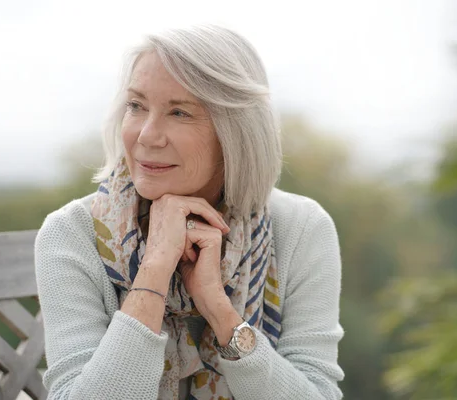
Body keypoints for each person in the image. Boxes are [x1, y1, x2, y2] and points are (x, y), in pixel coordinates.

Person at [35, 24, 344, 400]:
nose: (147, 135)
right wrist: (153, 273)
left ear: (236, 132)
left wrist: (219, 309)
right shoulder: (72, 233)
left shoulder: (300, 227)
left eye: (179, 112)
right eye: (136, 106)